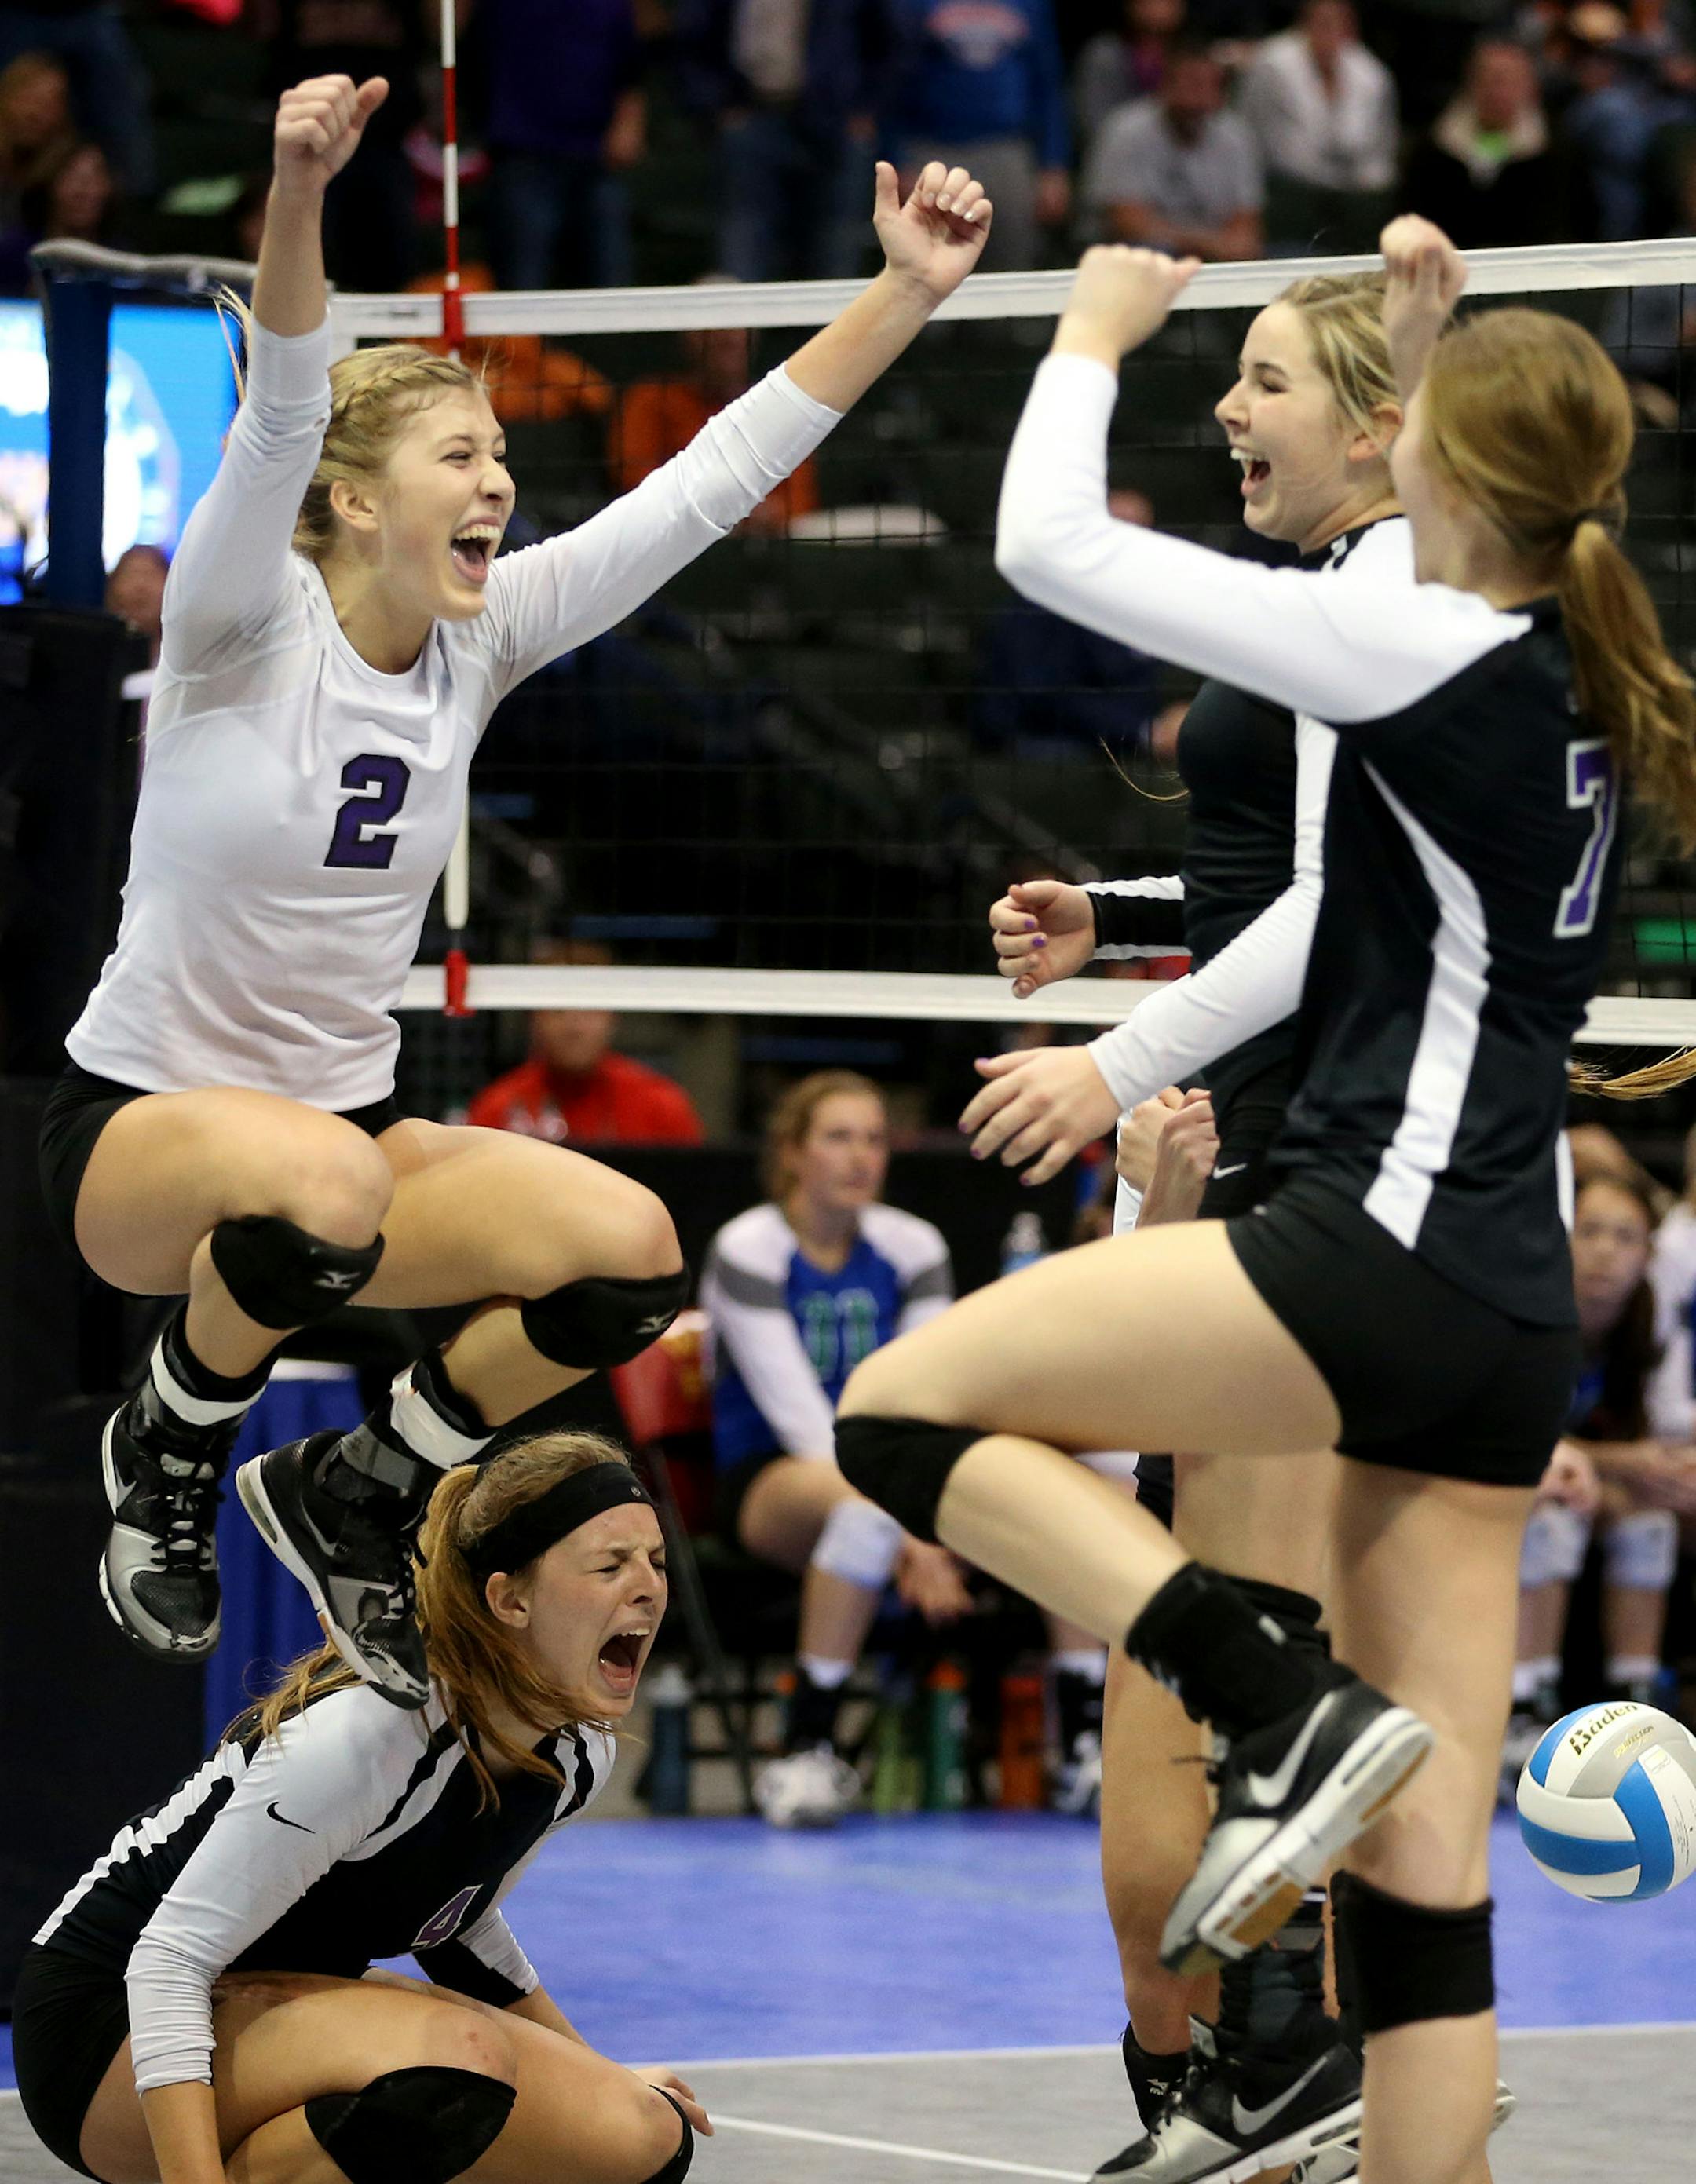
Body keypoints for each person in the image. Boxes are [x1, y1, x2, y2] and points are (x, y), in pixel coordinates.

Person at [833, 218, 1696, 2184]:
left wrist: (1089, 330)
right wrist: (1423, 334)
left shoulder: (1411, 637)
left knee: (903, 1407)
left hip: (1365, 1242)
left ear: (1439, 471)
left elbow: (1049, 551)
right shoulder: (1559, 656)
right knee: (1426, 1875)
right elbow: (1405, 562)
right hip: (1501, 1309)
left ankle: (1262, 1695)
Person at [38, 73, 994, 1714]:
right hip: (143, 1136)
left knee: (628, 1249)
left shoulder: (483, 638)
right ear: (350, 500)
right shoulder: (238, 618)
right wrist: (293, 188)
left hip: (339, 1159)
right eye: (458, 454)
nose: (497, 482)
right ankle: (172, 1440)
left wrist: (901, 288)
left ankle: (365, 1480)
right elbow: (278, 404)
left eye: (499, 456)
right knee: (328, 1180)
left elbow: (708, 480)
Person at [980, 268, 1413, 2179]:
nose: (1226, 410)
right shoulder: (1336, 595)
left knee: (1223, 1630)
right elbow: (1286, 868)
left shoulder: (1381, 592)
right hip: (1276, 1158)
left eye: (1257, 379)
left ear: (1377, 419)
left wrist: (1108, 1056)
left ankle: (1295, 2056)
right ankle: (1251, 2070)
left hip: (1326, 1168)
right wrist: (1123, 905)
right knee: (1223, 1659)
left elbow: (1342, 905)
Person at [12, 1429, 711, 2184]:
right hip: (104, 2031)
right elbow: (167, 1962)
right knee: (449, 2066)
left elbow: (457, 1920)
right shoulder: (369, 1735)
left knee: (640, 2134)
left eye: (656, 1562)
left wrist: (596, 2071)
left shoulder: (578, 1752)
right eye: (611, 1566)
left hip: (271, 2004)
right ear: (510, 1599)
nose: (649, 1586)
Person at [700, 1072, 973, 1824]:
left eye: (875, 1138)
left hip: (893, 1478)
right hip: (776, 1479)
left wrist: (911, 1512)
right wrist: (916, 1528)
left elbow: (928, 1397)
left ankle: (1083, 1742)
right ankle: (807, 1752)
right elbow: (800, 1421)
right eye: (838, 1137)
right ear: (791, 1153)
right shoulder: (750, 1247)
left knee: (1048, 1489)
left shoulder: (912, 1246)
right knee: (869, 1513)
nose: (860, 1157)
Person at [1508, 1163, 1696, 1771]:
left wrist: (1660, 1470)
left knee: (1650, 1521)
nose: (1605, 1253)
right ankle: (1526, 1710)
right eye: (1589, 1231)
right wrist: (1617, 1461)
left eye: (1625, 1237)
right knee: (1552, 1515)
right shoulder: (1527, 1310)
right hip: (1509, 1473)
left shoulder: (1649, 1321)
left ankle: (1638, 1711)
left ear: (1647, 1253)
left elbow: (1652, 1435)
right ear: (1561, 1239)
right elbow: (1503, 1430)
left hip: (1589, 1483)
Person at [674, 0, 906, 283]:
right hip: (751, 117)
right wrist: (716, 107)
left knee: (834, 261)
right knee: (742, 257)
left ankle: (834, 330)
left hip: (836, 126)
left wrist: (866, 112)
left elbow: (892, 41)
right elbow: (692, 40)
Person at [610, 286, 821, 535]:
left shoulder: (778, 408)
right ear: (690, 339)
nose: (727, 337)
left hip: (768, 549)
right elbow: (634, 480)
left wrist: (766, 515)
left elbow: (800, 501)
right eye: (716, 331)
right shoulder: (651, 399)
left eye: (735, 333)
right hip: (673, 541)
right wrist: (713, 512)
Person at [887, 0, 1072, 272]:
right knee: (927, 271)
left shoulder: (1033, 5)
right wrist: (896, 160)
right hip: (930, 148)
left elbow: (1046, 82)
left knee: (1012, 270)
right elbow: (893, 83)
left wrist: (1053, 165)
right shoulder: (913, 5)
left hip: (1007, 149)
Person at [466, 941, 704, 1147]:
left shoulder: (663, 1107)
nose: (574, 1027)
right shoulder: (495, 1110)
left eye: (588, 1009)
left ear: (612, 1016)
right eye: (558, 1010)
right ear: (534, 1018)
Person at [482, 0, 646, 293]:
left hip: (596, 156)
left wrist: (629, 122)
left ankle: (609, 341)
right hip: (524, 153)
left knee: (611, 280)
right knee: (524, 280)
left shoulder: (611, 7)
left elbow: (630, 68)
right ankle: (522, 341)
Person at [1238, 0, 1398, 254]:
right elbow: (1263, 144)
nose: (1330, 32)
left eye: (1339, 24)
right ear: (1303, 24)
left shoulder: (1371, 75)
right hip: (1286, 186)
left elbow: (1381, 152)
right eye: (1322, 23)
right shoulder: (1273, 66)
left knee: (1375, 205)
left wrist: (1362, 184)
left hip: (1351, 192)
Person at [1401, 36, 1588, 250]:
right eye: (1488, 79)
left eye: (1509, 80)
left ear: (1531, 87)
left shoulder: (1557, 152)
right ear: (1470, 83)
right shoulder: (1432, 150)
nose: (1497, 91)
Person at [1082, 39, 1263, 260]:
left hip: (1211, 260)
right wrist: (1208, 243)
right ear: (1165, 86)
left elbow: (1246, 229)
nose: (1200, 97)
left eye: (1210, 85)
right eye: (1192, 84)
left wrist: (1224, 247)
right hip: (1135, 261)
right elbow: (1126, 223)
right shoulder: (1126, 130)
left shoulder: (1236, 136)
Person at [1073, 0, 1186, 162]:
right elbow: (1095, 128)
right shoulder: (1105, 56)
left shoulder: (1190, 58)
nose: (1160, 6)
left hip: (1176, 164)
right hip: (1116, 161)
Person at [104, 543, 169, 667]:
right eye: (131, 574)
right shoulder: (97, 653)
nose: (140, 587)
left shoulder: (186, 658)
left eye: (150, 575)